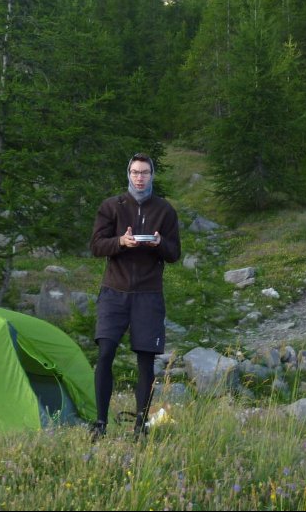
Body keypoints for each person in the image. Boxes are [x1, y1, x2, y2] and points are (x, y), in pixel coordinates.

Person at [88, 152, 180, 440]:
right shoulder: (111, 206)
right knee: (105, 354)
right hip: (114, 291)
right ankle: (100, 423)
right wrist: (121, 242)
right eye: (135, 172)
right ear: (128, 174)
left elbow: (175, 253)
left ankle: (140, 426)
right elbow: (96, 246)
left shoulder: (165, 210)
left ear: (152, 176)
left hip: (148, 295)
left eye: (145, 173)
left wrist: (158, 243)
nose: (140, 177)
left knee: (145, 361)